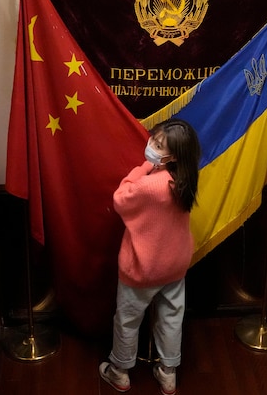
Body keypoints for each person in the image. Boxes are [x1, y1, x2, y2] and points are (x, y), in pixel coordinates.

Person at [99, 118, 201, 395]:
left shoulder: (150, 185)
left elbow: (120, 199)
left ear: (173, 156)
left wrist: (143, 167)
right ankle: (168, 374)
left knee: (128, 319)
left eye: (158, 145)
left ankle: (119, 371)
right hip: (175, 265)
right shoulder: (185, 179)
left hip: (142, 268)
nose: (151, 146)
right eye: (154, 140)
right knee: (171, 318)